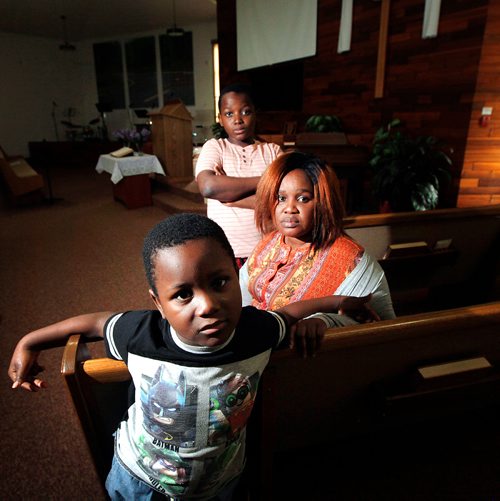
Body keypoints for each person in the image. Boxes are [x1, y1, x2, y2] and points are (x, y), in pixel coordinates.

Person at [8, 213, 374, 500]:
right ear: (158, 304)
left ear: (236, 273)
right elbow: (96, 322)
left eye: (220, 283)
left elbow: (291, 312)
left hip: (221, 482)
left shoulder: (254, 332)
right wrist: (29, 341)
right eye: (183, 294)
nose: (208, 305)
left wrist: (337, 302)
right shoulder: (143, 335)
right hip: (141, 483)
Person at [240, 151, 396, 329]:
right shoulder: (267, 243)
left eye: (303, 198)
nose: (289, 208)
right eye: (281, 198)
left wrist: (326, 321)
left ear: (323, 203)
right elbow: (241, 303)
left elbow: (380, 327)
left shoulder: (351, 259)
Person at [195, 83, 282, 267]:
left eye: (245, 112)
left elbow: (282, 198)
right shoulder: (215, 147)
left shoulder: (273, 152)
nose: (237, 120)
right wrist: (266, 182)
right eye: (229, 114)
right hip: (225, 250)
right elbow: (209, 186)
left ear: (255, 113)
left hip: (269, 248)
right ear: (220, 118)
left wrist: (232, 198)